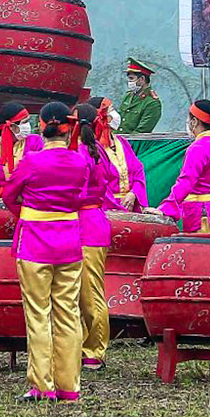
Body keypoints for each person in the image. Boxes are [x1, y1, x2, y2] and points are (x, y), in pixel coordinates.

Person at [0, 102, 100, 402]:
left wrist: (28, 212)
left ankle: (42, 385)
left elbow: (9, 194)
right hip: (69, 242)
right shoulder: (80, 162)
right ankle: (69, 386)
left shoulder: (31, 161)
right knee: (68, 313)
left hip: (34, 243)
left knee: (38, 315)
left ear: (42, 127)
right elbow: (82, 196)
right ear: (68, 129)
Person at [78, 97, 147, 371]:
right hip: (100, 215)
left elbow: (137, 172)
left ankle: (93, 349)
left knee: (89, 290)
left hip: (93, 219)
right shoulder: (94, 150)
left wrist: (132, 196)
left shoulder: (102, 149)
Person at [158, 100, 210, 234]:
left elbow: (186, 182)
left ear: (194, 122)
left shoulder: (197, 148)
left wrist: (166, 207)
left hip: (201, 216)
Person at [0, 102, 43, 180]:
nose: (28, 125)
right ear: (13, 126)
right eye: (24, 122)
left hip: (28, 190)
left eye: (28, 121)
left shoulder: (35, 141)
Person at [117, 59, 162, 134]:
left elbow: (142, 131)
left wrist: (122, 142)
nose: (129, 82)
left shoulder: (152, 103)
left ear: (142, 79)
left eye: (131, 79)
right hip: (118, 140)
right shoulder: (128, 96)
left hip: (133, 143)